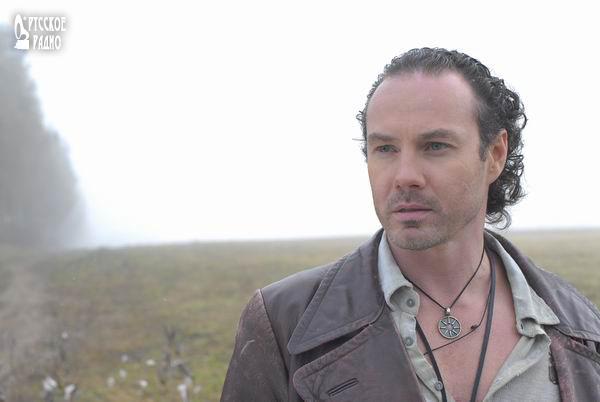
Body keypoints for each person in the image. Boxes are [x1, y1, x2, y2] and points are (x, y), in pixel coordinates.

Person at [220, 48, 600, 402]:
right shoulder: (284, 323)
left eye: (435, 146)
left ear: (495, 154)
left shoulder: (584, 331)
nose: (405, 176)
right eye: (385, 148)